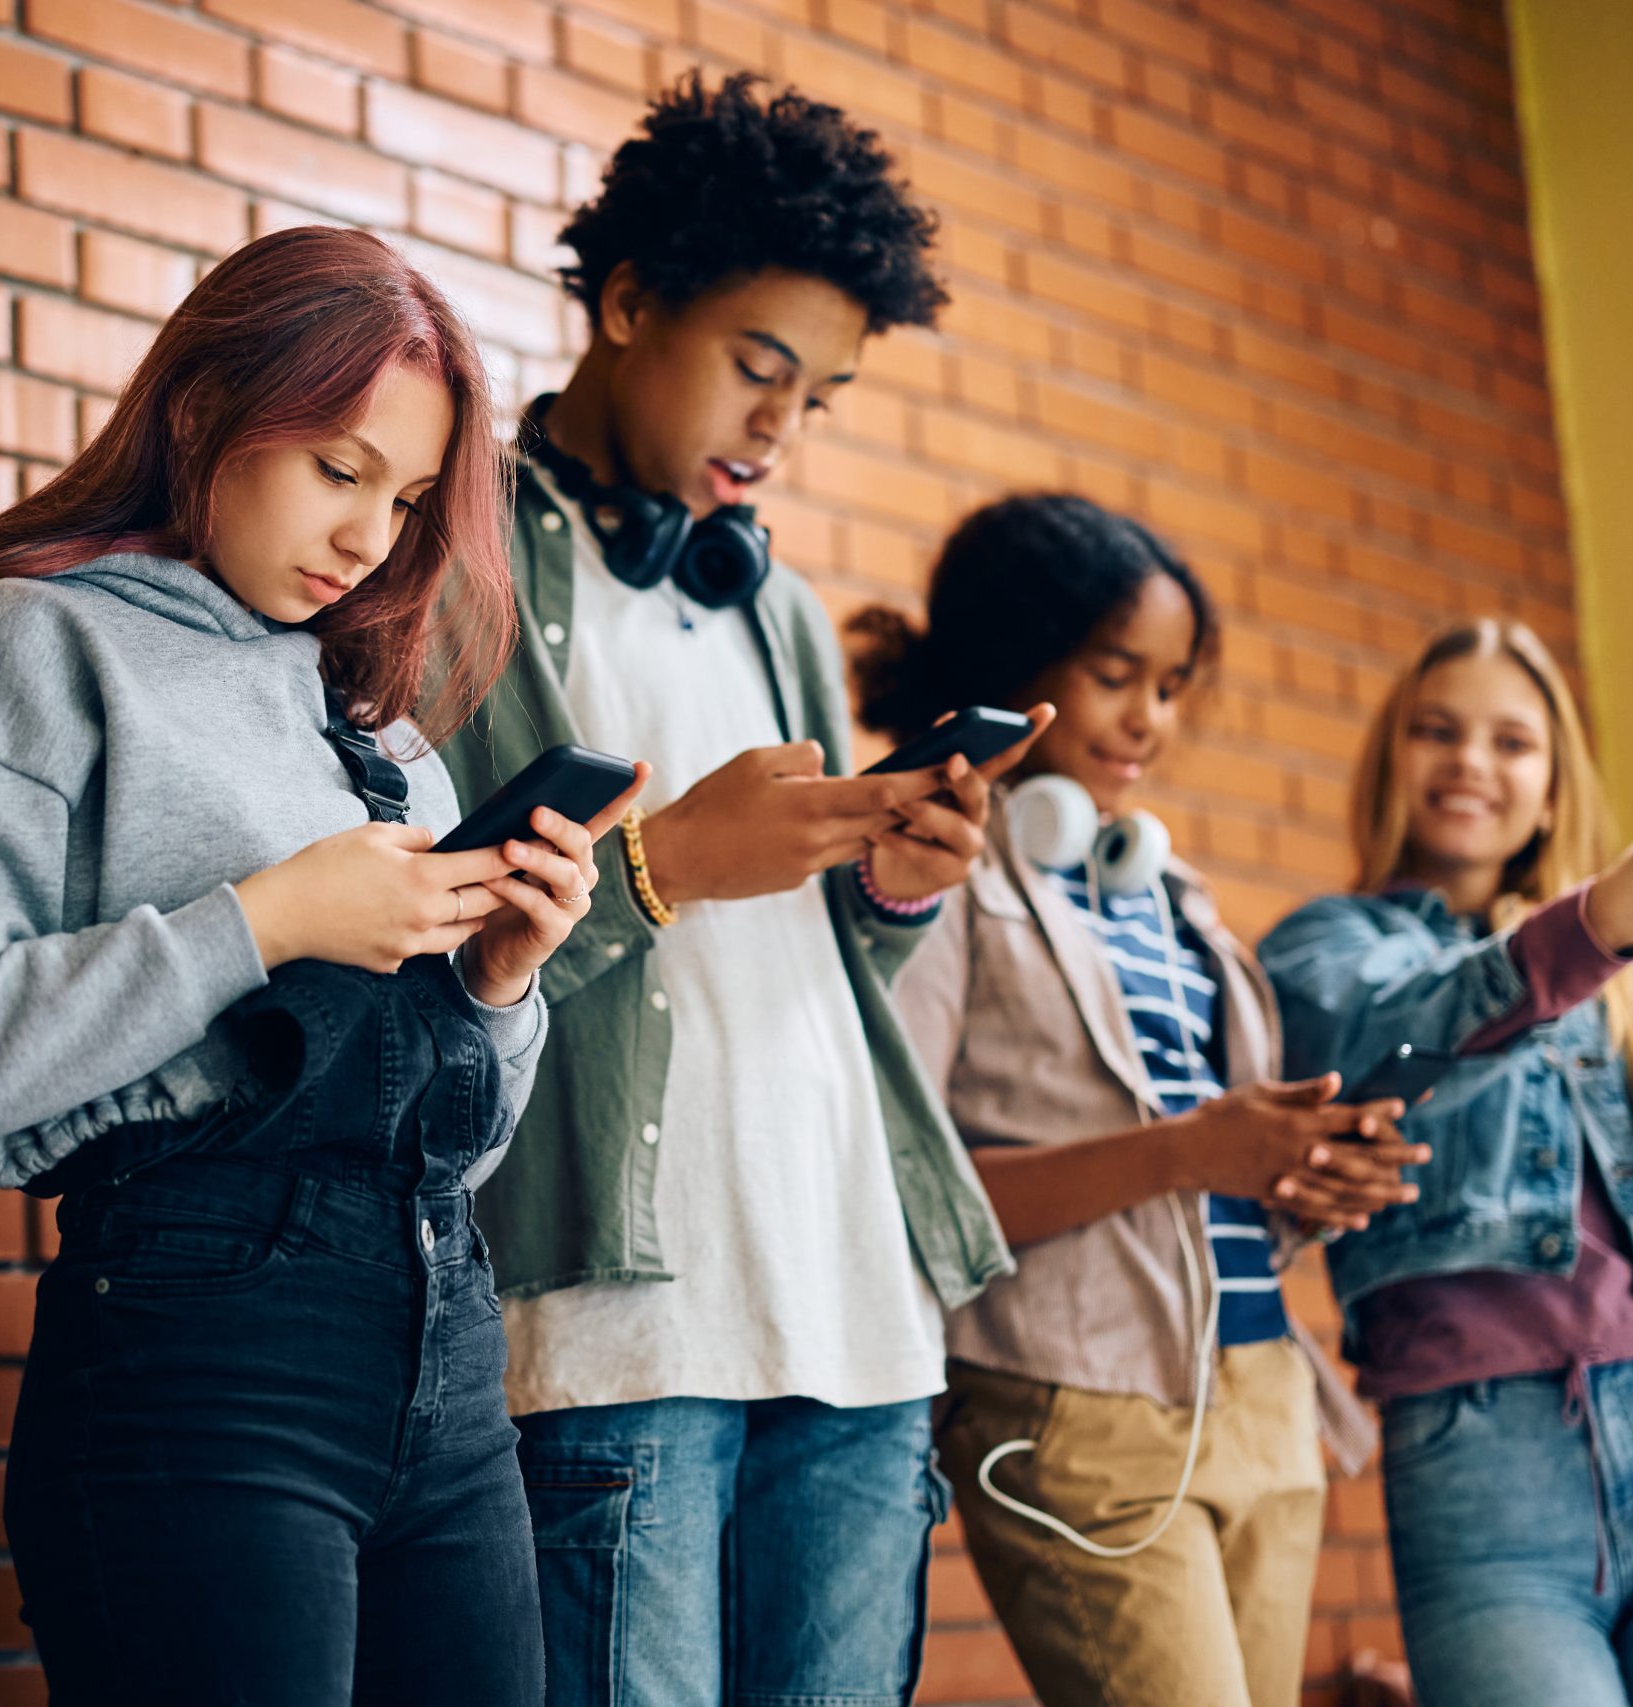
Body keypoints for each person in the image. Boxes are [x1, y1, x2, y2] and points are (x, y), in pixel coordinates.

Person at [0, 224, 639, 1707]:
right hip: (199, 1347)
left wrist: (501, 982)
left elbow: (466, 1133)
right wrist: (259, 920)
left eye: (402, 497)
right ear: (201, 410)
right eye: (339, 468)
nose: (368, 537)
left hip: (445, 1344)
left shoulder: (379, 735)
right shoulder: (21, 644)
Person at [440, 72, 1038, 1706]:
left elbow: (818, 959)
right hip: (625, 1331)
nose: (778, 430)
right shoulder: (449, 561)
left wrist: (896, 890)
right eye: (757, 369)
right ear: (629, 304)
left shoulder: (771, 603)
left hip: (853, 1312)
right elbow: (429, 967)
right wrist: (662, 865)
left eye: (820, 398)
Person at [866, 495, 1416, 1707]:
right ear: (1021, 664)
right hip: (1078, 1408)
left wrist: (1305, 1175)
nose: (1149, 720)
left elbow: (1214, 1171)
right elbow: (908, 1193)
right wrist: (1187, 1152)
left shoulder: (1174, 894)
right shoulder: (932, 871)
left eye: (1173, 686)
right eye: (1118, 675)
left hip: (1264, 1399)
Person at [1260, 619, 1633, 1707]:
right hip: (1480, 1470)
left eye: (1511, 743)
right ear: (1392, 761)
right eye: (1437, 731)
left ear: (1553, 786)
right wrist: (1600, 918)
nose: (1471, 762)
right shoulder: (1321, 945)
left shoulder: (1619, 972)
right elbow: (1387, 1054)